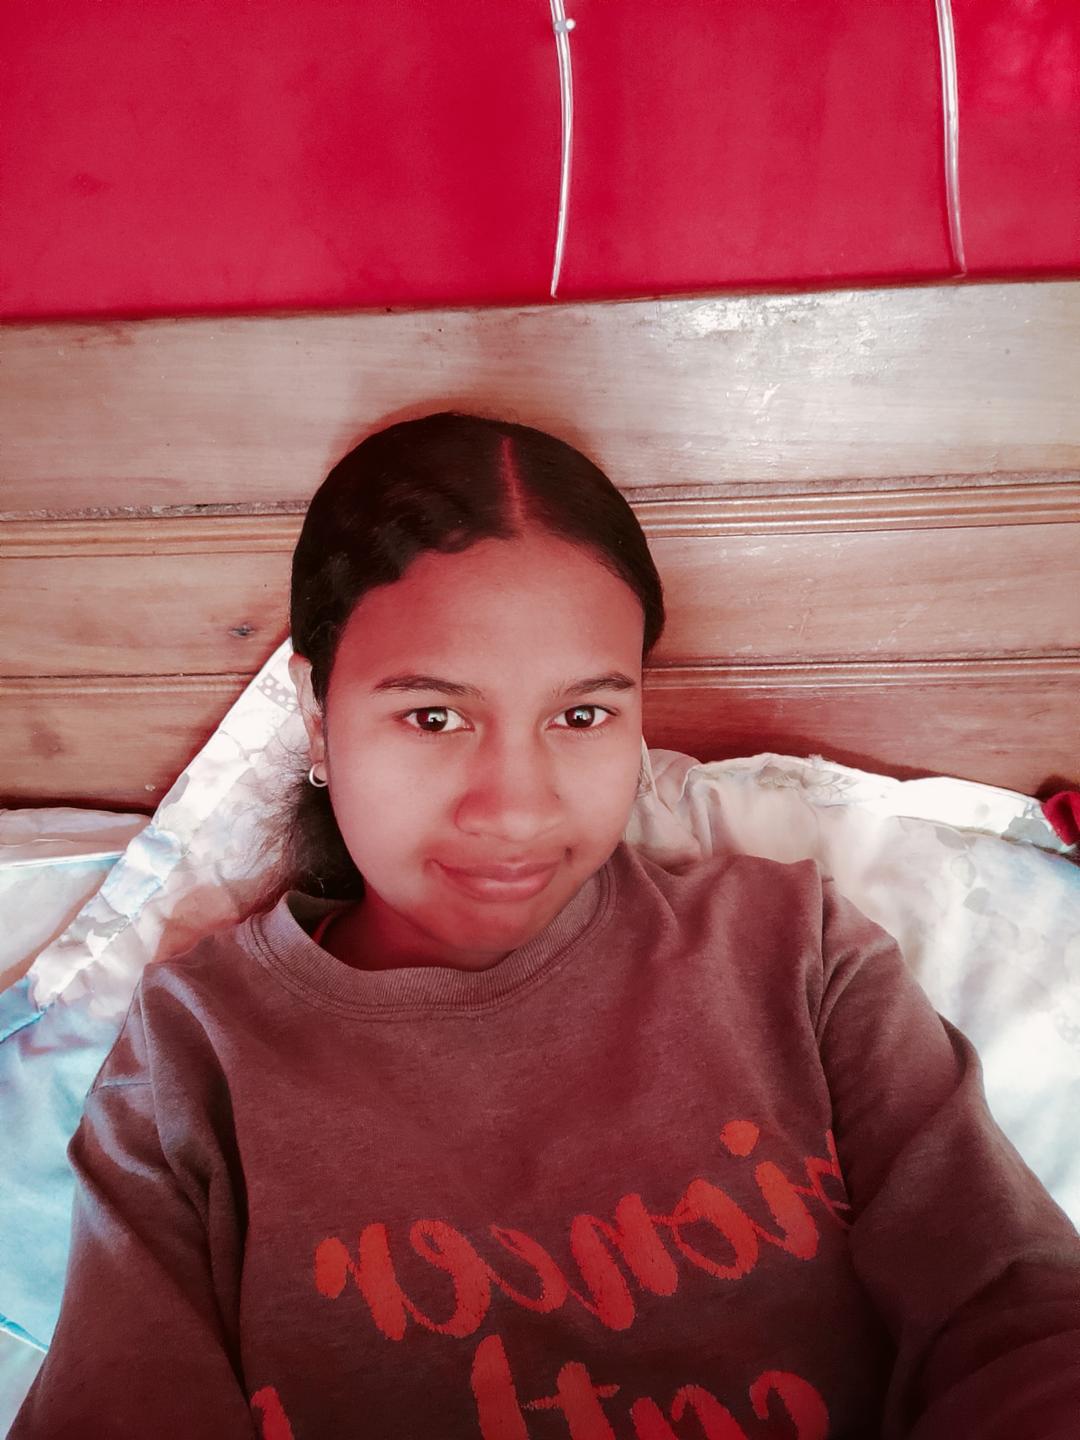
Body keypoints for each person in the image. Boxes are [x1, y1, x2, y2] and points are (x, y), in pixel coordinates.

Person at [11, 412, 1080, 1439]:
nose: (516, 809)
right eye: (434, 716)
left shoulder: (794, 954)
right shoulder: (197, 1050)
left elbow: (1014, 1324)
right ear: (316, 717)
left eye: (581, 715)